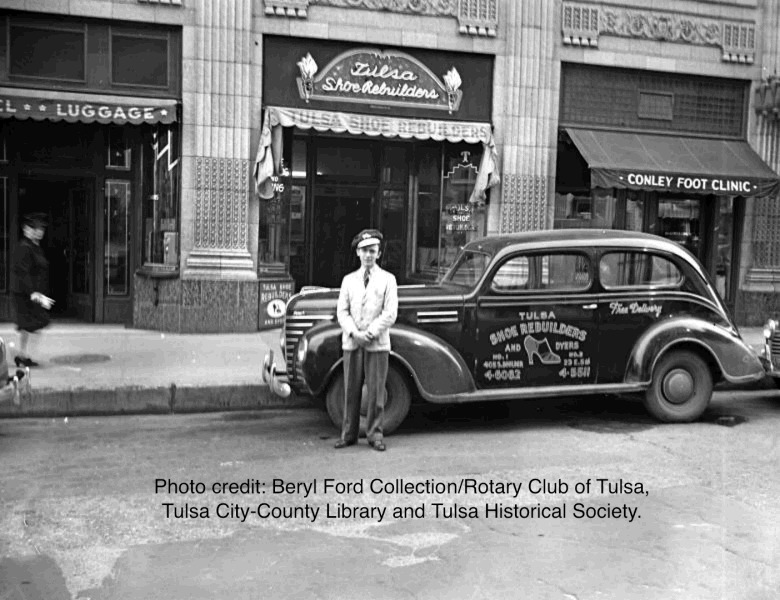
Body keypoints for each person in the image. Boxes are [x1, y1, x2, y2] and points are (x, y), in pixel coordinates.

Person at [334, 229, 398, 452]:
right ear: (358, 253)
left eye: (372, 251)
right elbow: (342, 312)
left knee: (376, 392)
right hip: (352, 342)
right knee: (350, 391)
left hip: (377, 343)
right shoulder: (348, 280)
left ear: (379, 253)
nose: (368, 255)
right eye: (364, 251)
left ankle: (375, 435)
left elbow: (390, 313)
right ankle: (348, 434)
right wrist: (355, 333)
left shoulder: (388, 280)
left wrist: (369, 334)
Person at [12, 213, 54, 367]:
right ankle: (24, 355)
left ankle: (24, 355)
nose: (39, 232)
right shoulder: (25, 247)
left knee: (32, 325)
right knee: (33, 323)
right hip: (26, 294)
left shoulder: (36, 247)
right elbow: (22, 272)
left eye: (41, 229)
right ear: (27, 230)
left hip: (33, 293)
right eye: (36, 229)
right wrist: (33, 292)